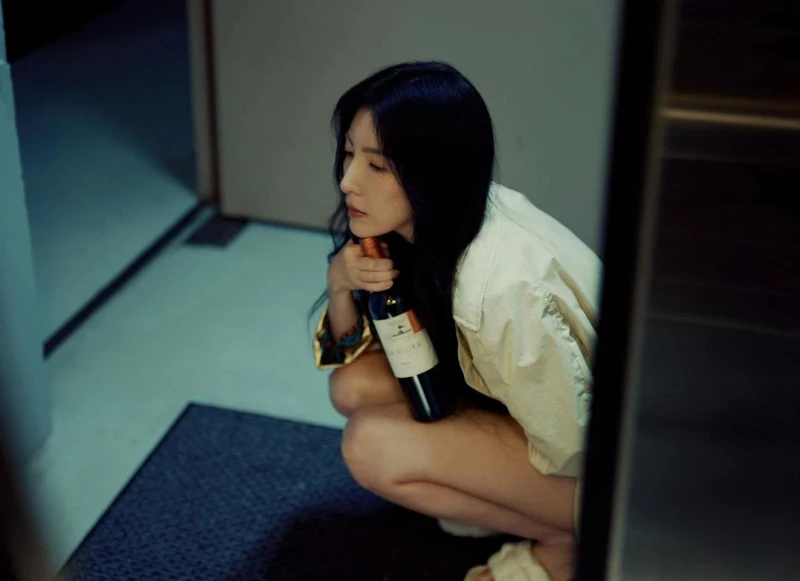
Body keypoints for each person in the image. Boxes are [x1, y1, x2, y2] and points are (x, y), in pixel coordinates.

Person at [312, 61, 601, 581]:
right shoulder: (432, 223)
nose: (348, 181)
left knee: (369, 446)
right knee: (353, 386)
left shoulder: (503, 288)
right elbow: (350, 354)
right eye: (350, 154)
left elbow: (572, 445)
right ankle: (520, 509)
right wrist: (339, 282)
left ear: (433, 173)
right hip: (524, 420)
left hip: (608, 478)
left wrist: (482, 471)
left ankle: (563, 544)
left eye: (377, 166)